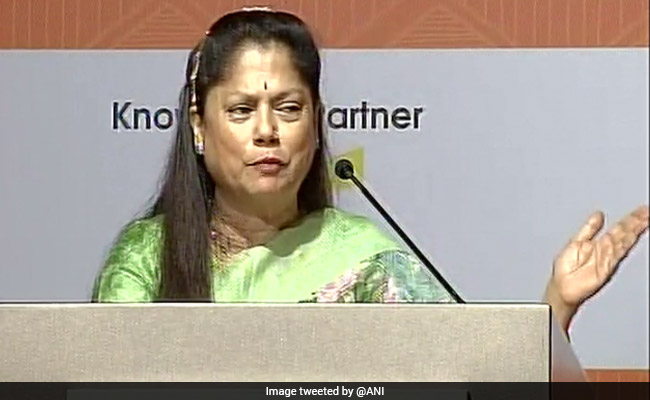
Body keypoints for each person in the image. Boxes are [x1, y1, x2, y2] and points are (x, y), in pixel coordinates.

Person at [92, 8, 649, 335]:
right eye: (241, 111)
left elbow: (470, 378)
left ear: (315, 125)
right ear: (198, 125)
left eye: (289, 108)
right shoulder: (147, 256)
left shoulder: (362, 256)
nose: (267, 131)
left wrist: (557, 303)